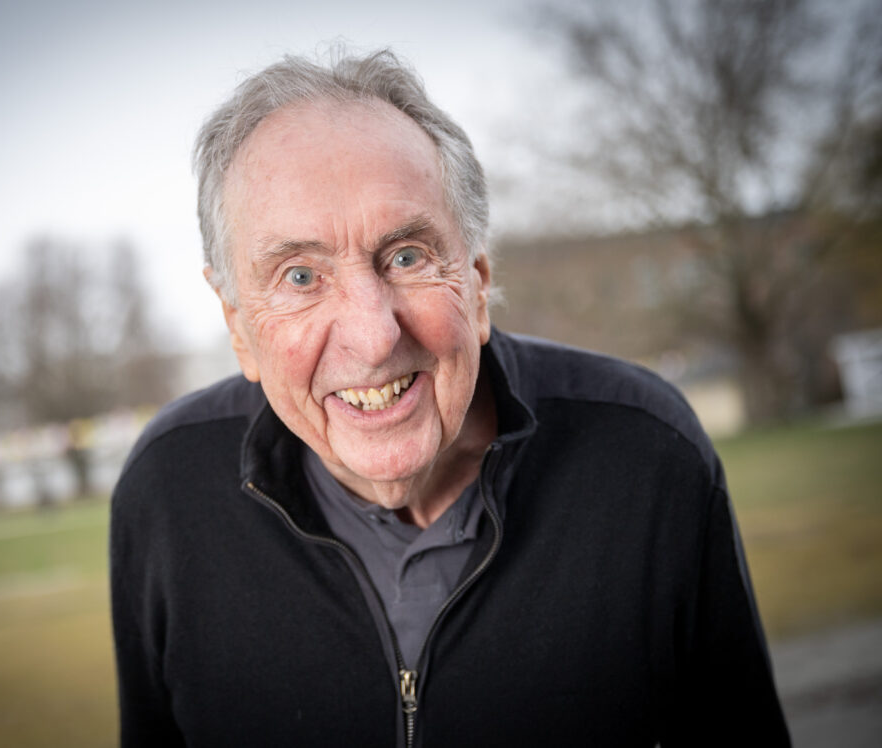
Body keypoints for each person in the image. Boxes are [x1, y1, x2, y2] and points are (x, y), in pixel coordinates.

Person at [109, 48, 790, 747]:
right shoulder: (167, 491)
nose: (374, 338)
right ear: (238, 328)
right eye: (301, 277)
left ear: (478, 282)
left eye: (406, 256)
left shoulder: (646, 454)